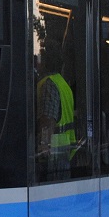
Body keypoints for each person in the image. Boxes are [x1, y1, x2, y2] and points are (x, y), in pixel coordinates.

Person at [35, 41, 76, 172]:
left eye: (40, 58)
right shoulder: (62, 83)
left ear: (46, 63)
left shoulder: (49, 84)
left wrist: (44, 145)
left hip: (54, 151)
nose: (37, 63)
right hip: (65, 146)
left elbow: (48, 118)